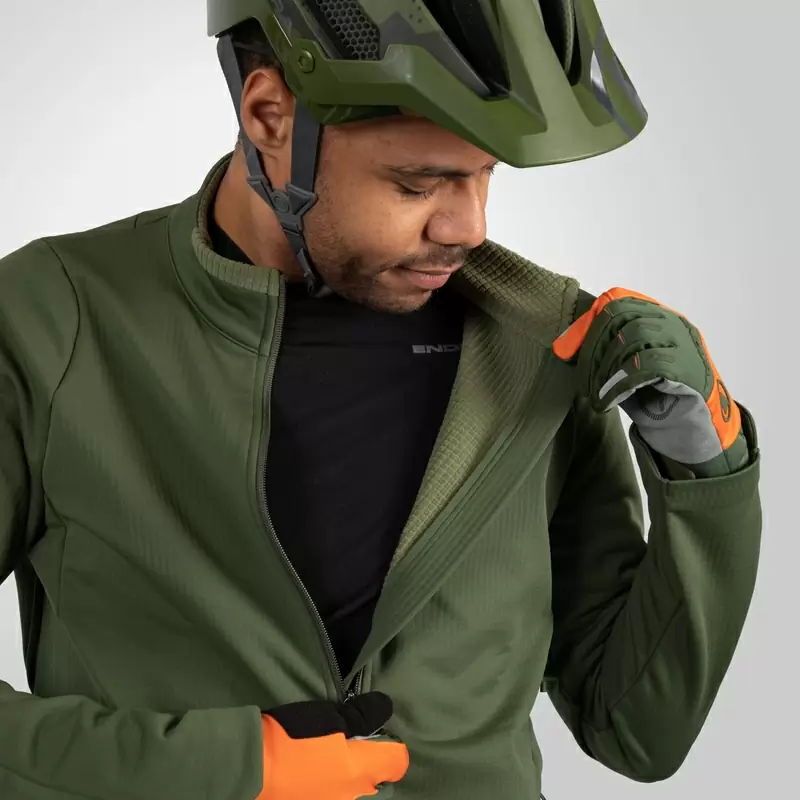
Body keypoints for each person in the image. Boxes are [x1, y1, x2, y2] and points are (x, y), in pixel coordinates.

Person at [0, 1, 762, 798]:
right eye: (417, 183)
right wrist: (222, 769)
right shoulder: (56, 321)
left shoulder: (542, 345)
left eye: (486, 173)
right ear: (270, 117)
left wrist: (705, 468)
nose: (468, 226)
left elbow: (634, 729)